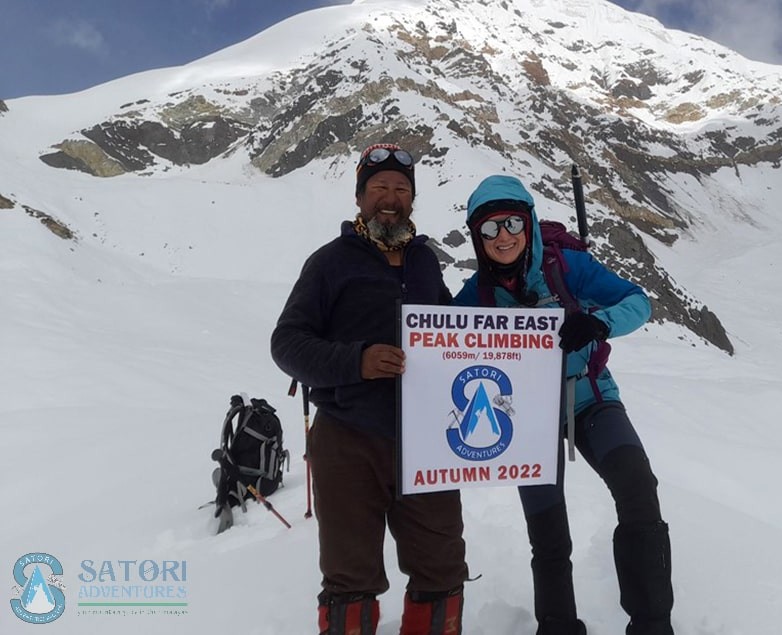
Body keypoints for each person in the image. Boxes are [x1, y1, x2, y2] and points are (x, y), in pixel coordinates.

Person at [453, 175, 674, 635]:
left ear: (529, 222)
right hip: (525, 417)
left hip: (591, 397)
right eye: (489, 229)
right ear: (478, 237)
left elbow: (638, 302)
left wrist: (597, 324)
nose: (503, 236)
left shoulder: (567, 268)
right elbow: (442, 346)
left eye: (512, 222)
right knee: (548, 531)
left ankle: (652, 624)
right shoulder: (476, 295)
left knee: (637, 488)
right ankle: (557, 626)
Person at [270, 143, 468, 635]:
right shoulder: (331, 262)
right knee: (351, 579)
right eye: (379, 187)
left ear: (412, 200)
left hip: (428, 444)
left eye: (401, 189)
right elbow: (287, 343)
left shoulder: (426, 263)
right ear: (360, 197)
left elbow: (449, 334)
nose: (390, 197)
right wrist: (356, 361)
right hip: (348, 437)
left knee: (441, 569)